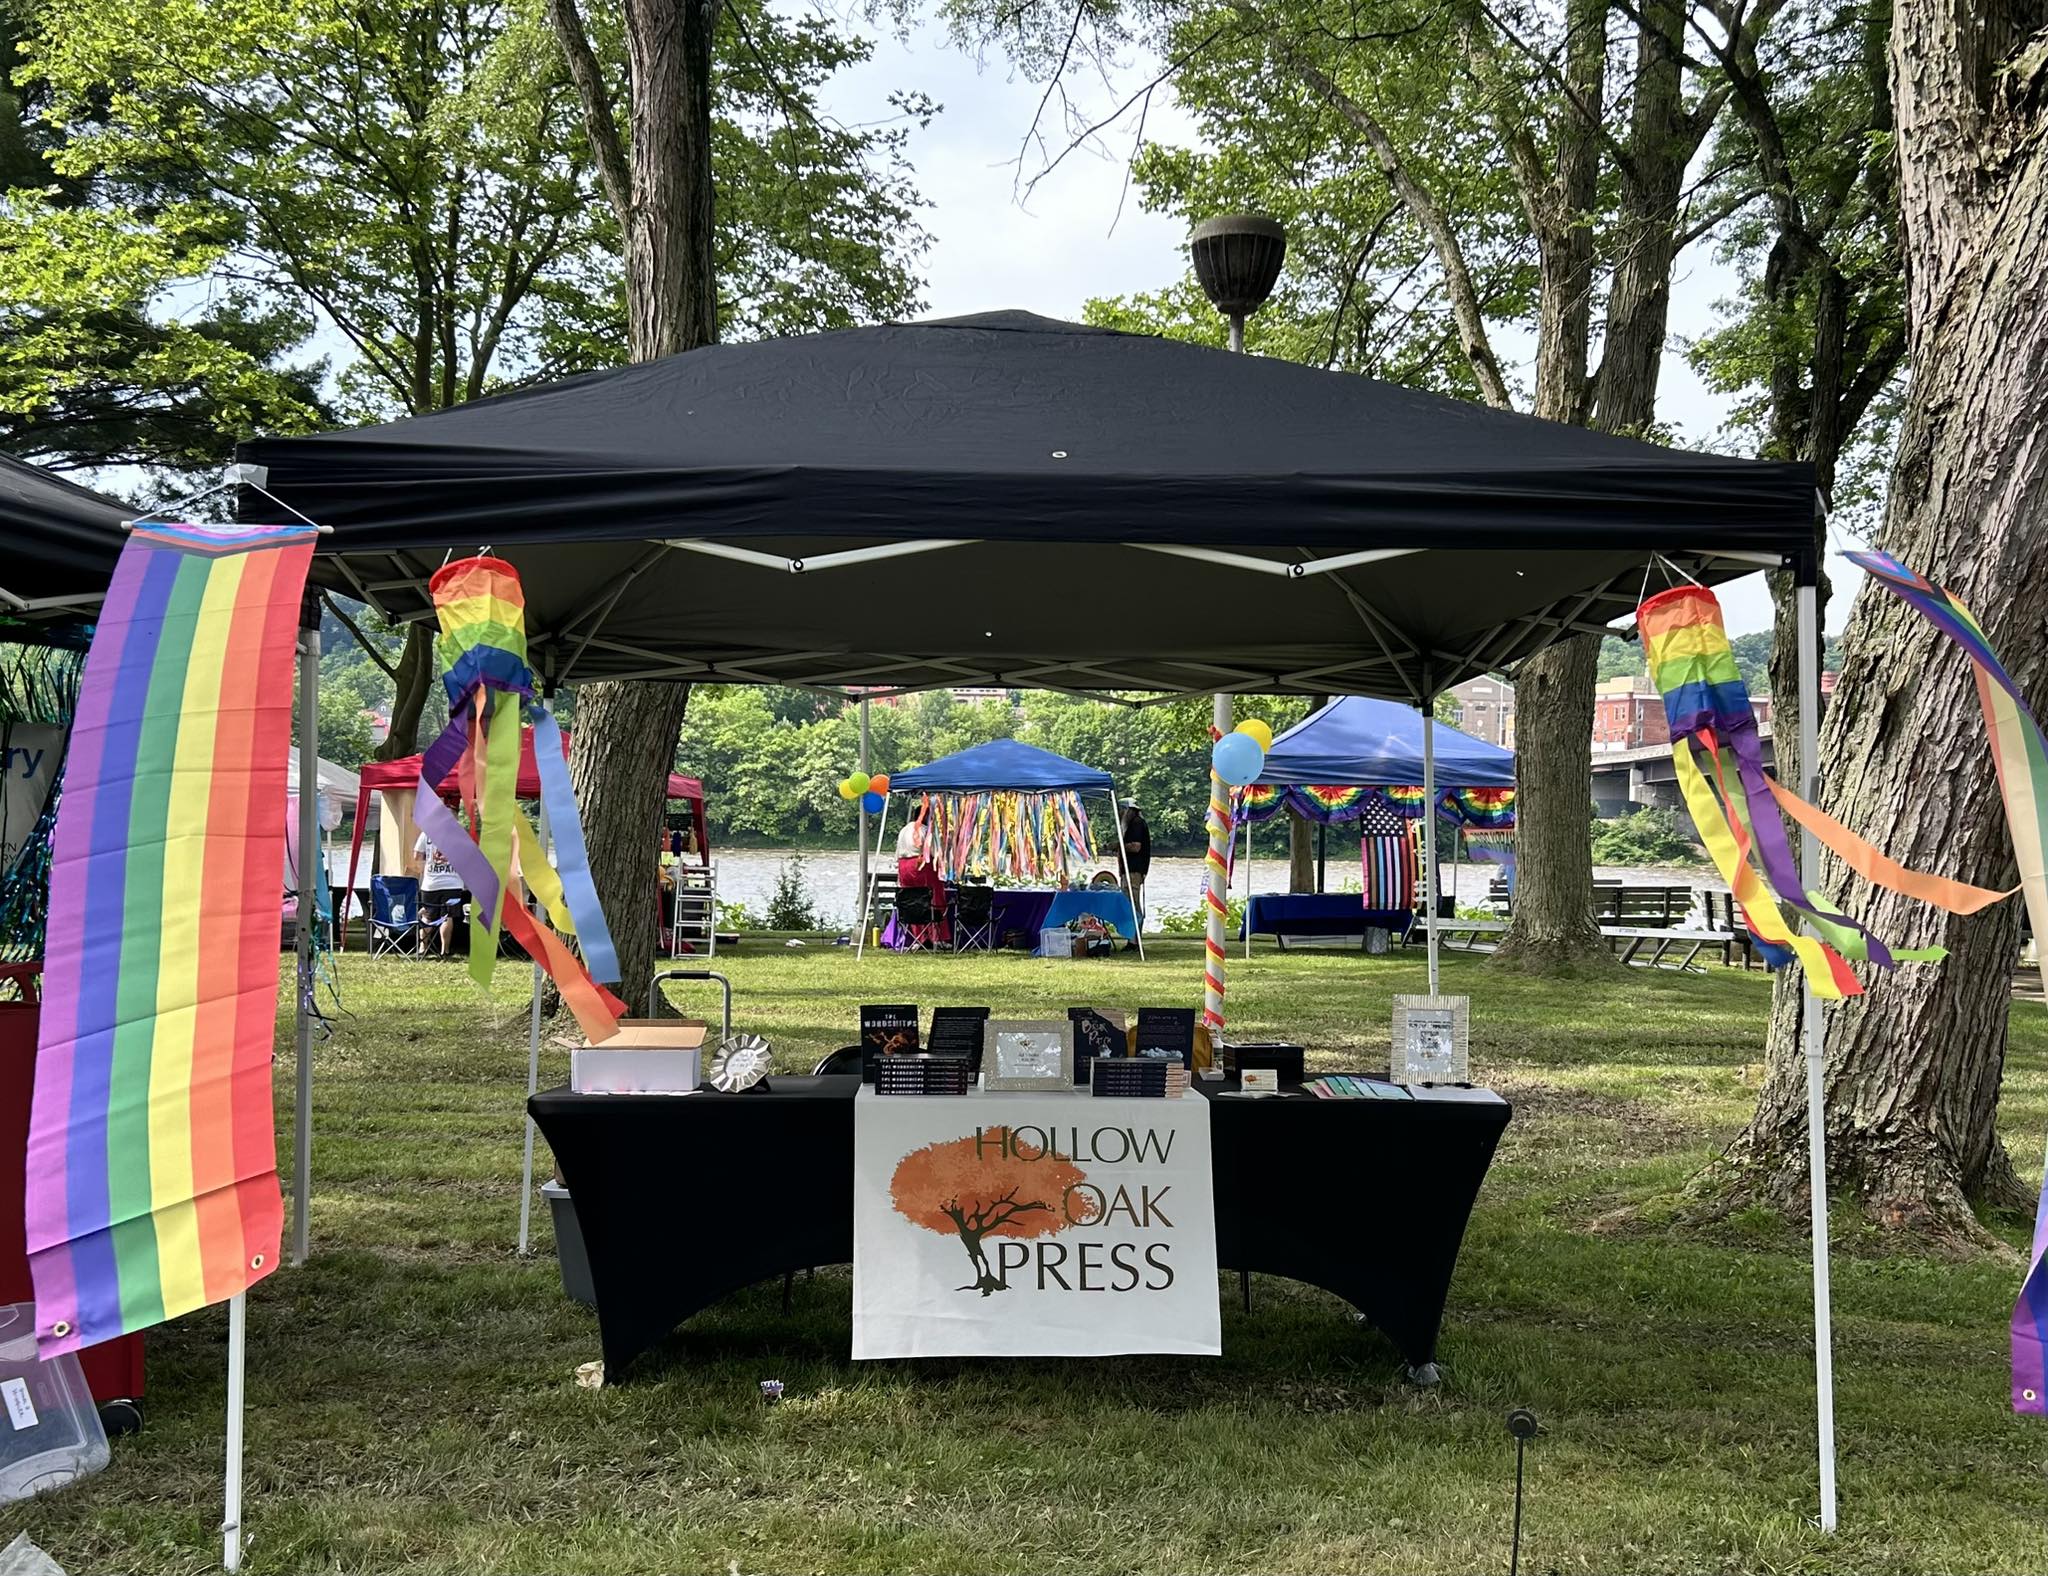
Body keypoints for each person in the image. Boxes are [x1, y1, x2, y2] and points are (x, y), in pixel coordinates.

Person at [413, 828, 468, 957]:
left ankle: (423, 948)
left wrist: (429, 856)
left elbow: (417, 856)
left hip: (430, 884)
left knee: (427, 916)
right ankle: (445, 950)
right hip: (452, 883)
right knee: (447, 917)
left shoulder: (427, 833)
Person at [894, 815, 948, 946]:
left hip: (904, 866)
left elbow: (897, 853)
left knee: (913, 900)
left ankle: (919, 937)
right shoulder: (924, 831)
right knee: (934, 897)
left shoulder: (903, 830)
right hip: (921, 865)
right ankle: (937, 937)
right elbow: (934, 852)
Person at [1120, 802, 1151, 940]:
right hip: (1129, 870)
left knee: (1132, 902)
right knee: (1129, 902)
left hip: (1134, 869)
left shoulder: (1136, 824)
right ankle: (1132, 937)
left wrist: (1117, 846)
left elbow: (1136, 846)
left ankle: (1134, 938)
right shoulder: (1132, 824)